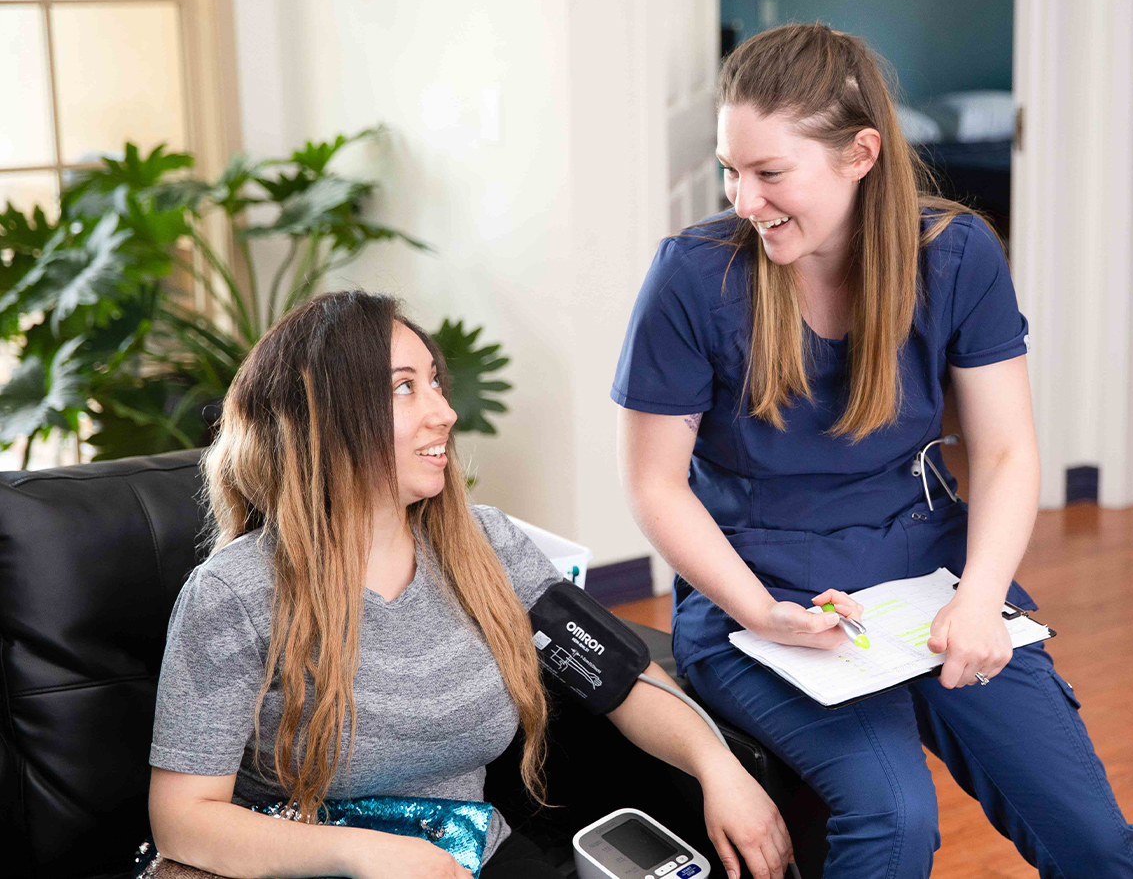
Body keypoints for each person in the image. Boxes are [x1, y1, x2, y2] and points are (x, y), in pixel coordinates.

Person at [615, 24, 1133, 879]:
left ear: (860, 153)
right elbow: (656, 486)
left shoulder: (957, 253)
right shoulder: (693, 276)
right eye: (730, 169)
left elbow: (1007, 451)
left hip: (930, 570)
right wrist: (761, 613)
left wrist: (980, 602)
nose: (742, 200)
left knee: (1096, 844)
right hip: (761, 588)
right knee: (892, 819)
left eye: (769, 173)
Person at [148, 291, 793, 879]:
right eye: (404, 388)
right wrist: (367, 853)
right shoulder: (234, 595)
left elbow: (619, 676)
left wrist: (719, 768)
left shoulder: (485, 547)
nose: (445, 412)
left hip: (469, 855)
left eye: (433, 381)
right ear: (323, 418)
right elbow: (183, 818)